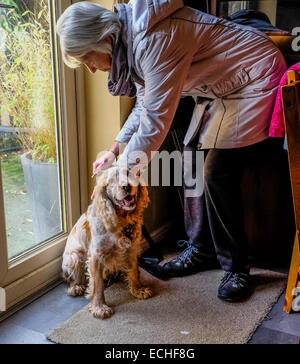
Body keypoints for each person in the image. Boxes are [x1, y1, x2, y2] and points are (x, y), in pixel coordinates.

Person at [56, 0, 287, 302]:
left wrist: (119, 176)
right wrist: (115, 150)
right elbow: (143, 104)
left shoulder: (153, 39)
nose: (91, 68)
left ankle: (237, 268)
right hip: (224, 85)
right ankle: (202, 249)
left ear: (103, 40)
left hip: (255, 74)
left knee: (217, 170)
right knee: (189, 155)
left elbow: (154, 121)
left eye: (88, 58)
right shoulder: (130, 42)